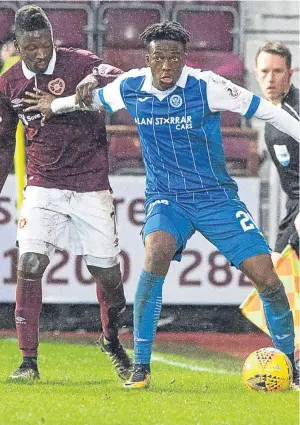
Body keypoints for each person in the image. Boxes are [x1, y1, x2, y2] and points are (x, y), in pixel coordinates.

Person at [23, 21, 300, 390]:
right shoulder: (130, 87)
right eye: (159, 58)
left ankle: (292, 367)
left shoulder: (208, 86)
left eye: (174, 58)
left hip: (216, 197)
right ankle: (141, 367)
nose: (167, 66)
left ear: (184, 58)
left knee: (267, 277)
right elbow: (89, 100)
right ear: (148, 59)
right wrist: (53, 105)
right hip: (167, 199)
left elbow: (268, 111)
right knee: (154, 255)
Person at [0, 4, 132, 381]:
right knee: (29, 263)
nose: (41, 54)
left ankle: (110, 339)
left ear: (53, 38)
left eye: (46, 45)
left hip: (91, 185)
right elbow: (4, 142)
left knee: (105, 273)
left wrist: (98, 80)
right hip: (43, 186)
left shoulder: (80, 63)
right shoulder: (9, 84)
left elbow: (120, 79)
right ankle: (28, 361)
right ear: (17, 46)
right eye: (31, 48)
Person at [255, 42, 299, 264]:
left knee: (276, 272)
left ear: (289, 74)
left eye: (277, 71)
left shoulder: (296, 112)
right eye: (264, 72)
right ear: (256, 74)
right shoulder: (272, 115)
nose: (270, 79)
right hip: (293, 208)